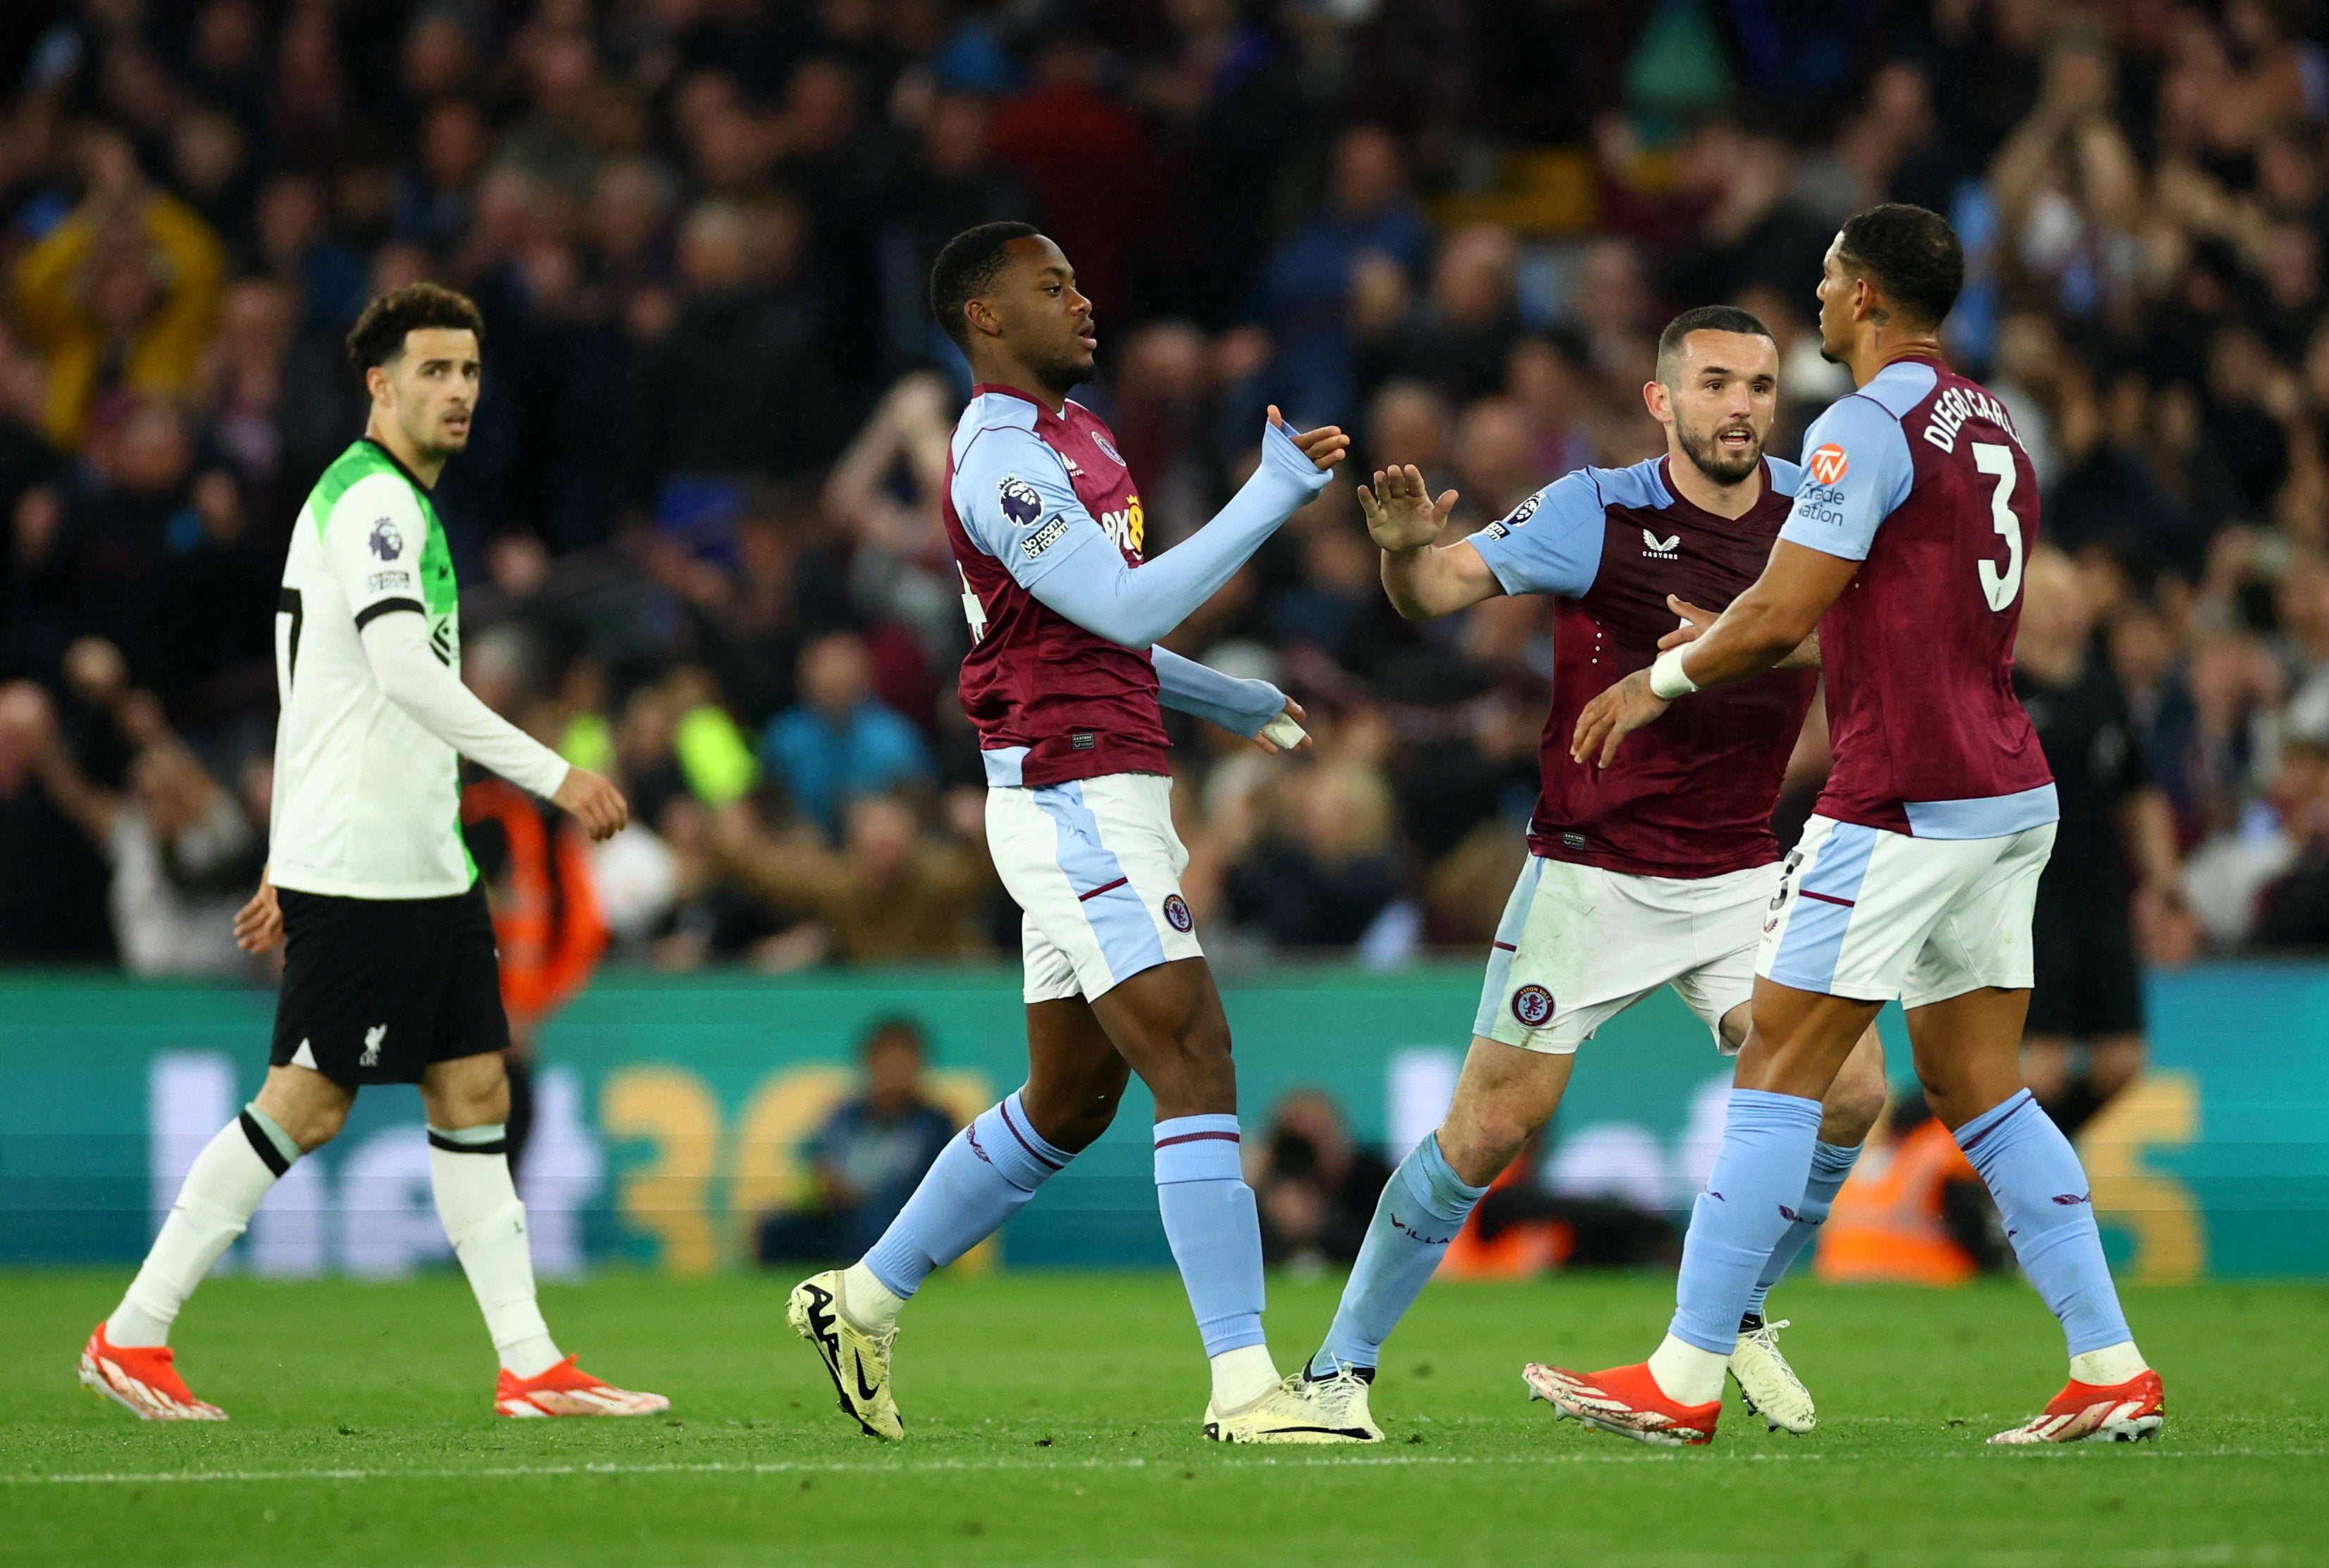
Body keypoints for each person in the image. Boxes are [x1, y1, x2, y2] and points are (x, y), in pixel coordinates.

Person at [1546, 204, 2161, 1447]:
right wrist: (1721, 638)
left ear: (1869, 297)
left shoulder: (1861, 425)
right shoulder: (1993, 424)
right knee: (1977, 1083)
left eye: (1827, 283)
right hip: (2005, 787)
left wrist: (1659, 680)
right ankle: (2108, 1363)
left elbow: (1780, 613)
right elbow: (1895, 605)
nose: (1815, 303)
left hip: (1900, 798)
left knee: (1781, 1061)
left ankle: (1682, 1374)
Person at [787, 221, 1365, 1445]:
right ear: (985, 319)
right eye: (1051, 288)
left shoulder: (1081, 436)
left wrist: (1226, 697)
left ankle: (861, 1296)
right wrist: (1269, 496)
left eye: (1078, 280)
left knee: (1069, 1101)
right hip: (1070, 794)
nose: (1084, 300)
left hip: (1109, 782)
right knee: (1196, 1055)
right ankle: (1247, 1387)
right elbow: (1121, 598)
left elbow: (1096, 633)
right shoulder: (999, 457)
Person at [78, 283, 666, 1424]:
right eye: (433, 371)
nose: (457, 392)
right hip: (367, 864)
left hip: (418, 856)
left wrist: (277, 855)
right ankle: (133, 1333)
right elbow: (400, 675)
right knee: (306, 1101)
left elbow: (319, 700)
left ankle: (531, 1364)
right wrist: (558, 775)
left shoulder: (385, 501)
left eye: (469, 372)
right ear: (377, 384)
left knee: (471, 1084)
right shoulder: (377, 508)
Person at [1307, 306, 1889, 1443]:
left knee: (1856, 1091)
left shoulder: (1815, 514)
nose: (1741, 406)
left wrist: (1751, 634)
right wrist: (1396, 547)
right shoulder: (1596, 510)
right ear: (1660, 402)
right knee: (1488, 1130)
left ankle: (1738, 1308)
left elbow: (1887, 639)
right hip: (1592, 872)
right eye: (1715, 384)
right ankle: (1338, 1371)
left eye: (1761, 387)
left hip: (1740, 873)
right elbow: (1434, 594)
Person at [2011, 548, 2184, 1135]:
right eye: (2056, 599)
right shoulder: (1999, 684)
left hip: (2101, 892)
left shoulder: (2103, 685)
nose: (2072, 611)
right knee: (2045, 1065)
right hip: (2030, 896)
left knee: (2122, 1060)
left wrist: (2163, 881)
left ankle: (2028, 1160)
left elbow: (2137, 792)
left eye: (2075, 598)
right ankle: (1985, 1180)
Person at [758, 1019, 957, 1264]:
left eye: (903, 1065)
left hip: (899, 1223)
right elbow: (818, 1161)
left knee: (880, 1222)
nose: (895, 1074)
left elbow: (932, 1187)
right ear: (870, 1064)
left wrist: (863, 1198)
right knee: (778, 1229)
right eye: (888, 1063)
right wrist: (826, 1184)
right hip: (840, 1218)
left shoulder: (935, 1124)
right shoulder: (844, 1116)